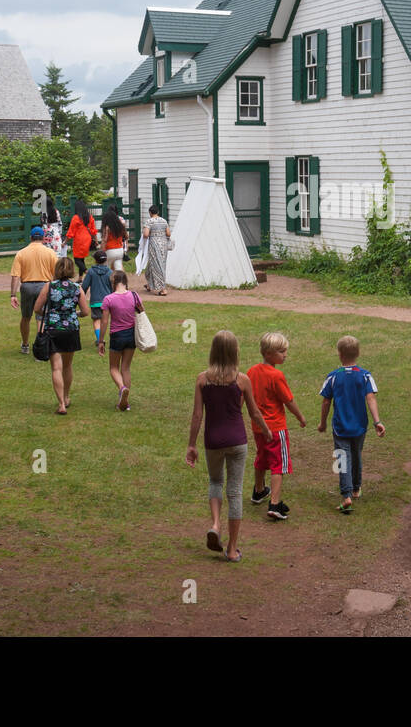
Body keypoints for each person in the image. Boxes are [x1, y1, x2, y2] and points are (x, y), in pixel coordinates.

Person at [185, 331, 271, 563]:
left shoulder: (203, 380)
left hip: (213, 441)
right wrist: (266, 430)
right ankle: (232, 550)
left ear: (213, 351)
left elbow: (197, 415)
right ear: (235, 352)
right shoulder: (242, 380)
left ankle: (215, 524)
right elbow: (253, 411)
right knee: (235, 492)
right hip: (237, 441)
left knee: (215, 482)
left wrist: (191, 445)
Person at [319, 335, 385, 515]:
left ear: (339, 354)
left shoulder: (333, 376)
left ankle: (346, 495)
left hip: (340, 427)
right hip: (359, 427)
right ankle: (356, 488)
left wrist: (323, 422)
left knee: (341, 458)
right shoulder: (365, 376)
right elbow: (370, 398)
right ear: (358, 353)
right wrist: (377, 421)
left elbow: (326, 402)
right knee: (356, 455)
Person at [247, 332, 306, 521]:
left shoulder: (251, 371)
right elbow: (288, 400)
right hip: (276, 428)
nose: (285, 355)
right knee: (278, 465)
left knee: (261, 458)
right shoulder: (276, 375)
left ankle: (258, 491)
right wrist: (301, 417)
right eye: (281, 351)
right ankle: (274, 503)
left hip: (258, 427)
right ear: (270, 354)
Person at [32, 257, 91, 415]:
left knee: (56, 368)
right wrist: (74, 313)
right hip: (71, 329)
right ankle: (66, 396)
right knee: (68, 366)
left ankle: (61, 404)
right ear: (72, 270)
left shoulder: (49, 286)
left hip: (53, 328)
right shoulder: (77, 288)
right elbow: (86, 312)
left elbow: (37, 308)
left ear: (57, 269)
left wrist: (50, 313)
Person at [96, 271, 142, 410]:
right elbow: (142, 312)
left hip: (117, 335)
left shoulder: (108, 299)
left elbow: (104, 322)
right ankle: (125, 403)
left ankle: (122, 389)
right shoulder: (134, 295)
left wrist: (101, 341)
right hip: (131, 335)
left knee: (113, 368)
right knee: (126, 368)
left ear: (113, 282)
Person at [10, 226, 57, 355]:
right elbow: (56, 274)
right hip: (45, 286)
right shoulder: (50, 253)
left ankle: (25, 345)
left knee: (26, 317)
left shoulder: (21, 253)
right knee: (41, 317)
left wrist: (13, 295)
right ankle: (40, 346)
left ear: (30, 238)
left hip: (27, 287)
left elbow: (15, 276)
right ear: (43, 238)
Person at [80, 250, 113, 342]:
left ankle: (100, 339)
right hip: (108, 301)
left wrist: (80, 299)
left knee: (96, 320)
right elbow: (113, 287)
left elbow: (84, 287)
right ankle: (101, 339)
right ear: (106, 260)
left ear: (95, 260)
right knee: (104, 320)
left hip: (95, 302)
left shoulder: (91, 272)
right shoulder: (110, 272)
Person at [64, 199, 97, 277]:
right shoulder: (90, 217)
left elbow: (70, 232)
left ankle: (87, 272)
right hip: (87, 239)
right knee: (81, 259)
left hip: (79, 240)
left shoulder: (76, 218)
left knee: (77, 260)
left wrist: (64, 242)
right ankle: (80, 278)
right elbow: (93, 230)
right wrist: (96, 240)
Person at [142, 204, 170, 295]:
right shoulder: (164, 221)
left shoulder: (149, 221)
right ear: (158, 212)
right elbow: (168, 234)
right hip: (164, 244)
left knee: (158, 265)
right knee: (155, 264)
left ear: (150, 213)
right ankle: (150, 284)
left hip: (154, 244)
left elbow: (146, 234)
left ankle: (163, 288)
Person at [101, 206, 129, 271]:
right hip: (120, 250)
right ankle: (121, 280)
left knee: (105, 268)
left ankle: (107, 280)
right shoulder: (120, 226)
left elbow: (105, 240)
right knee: (119, 269)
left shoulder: (107, 227)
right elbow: (126, 236)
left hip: (110, 249)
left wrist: (101, 250)